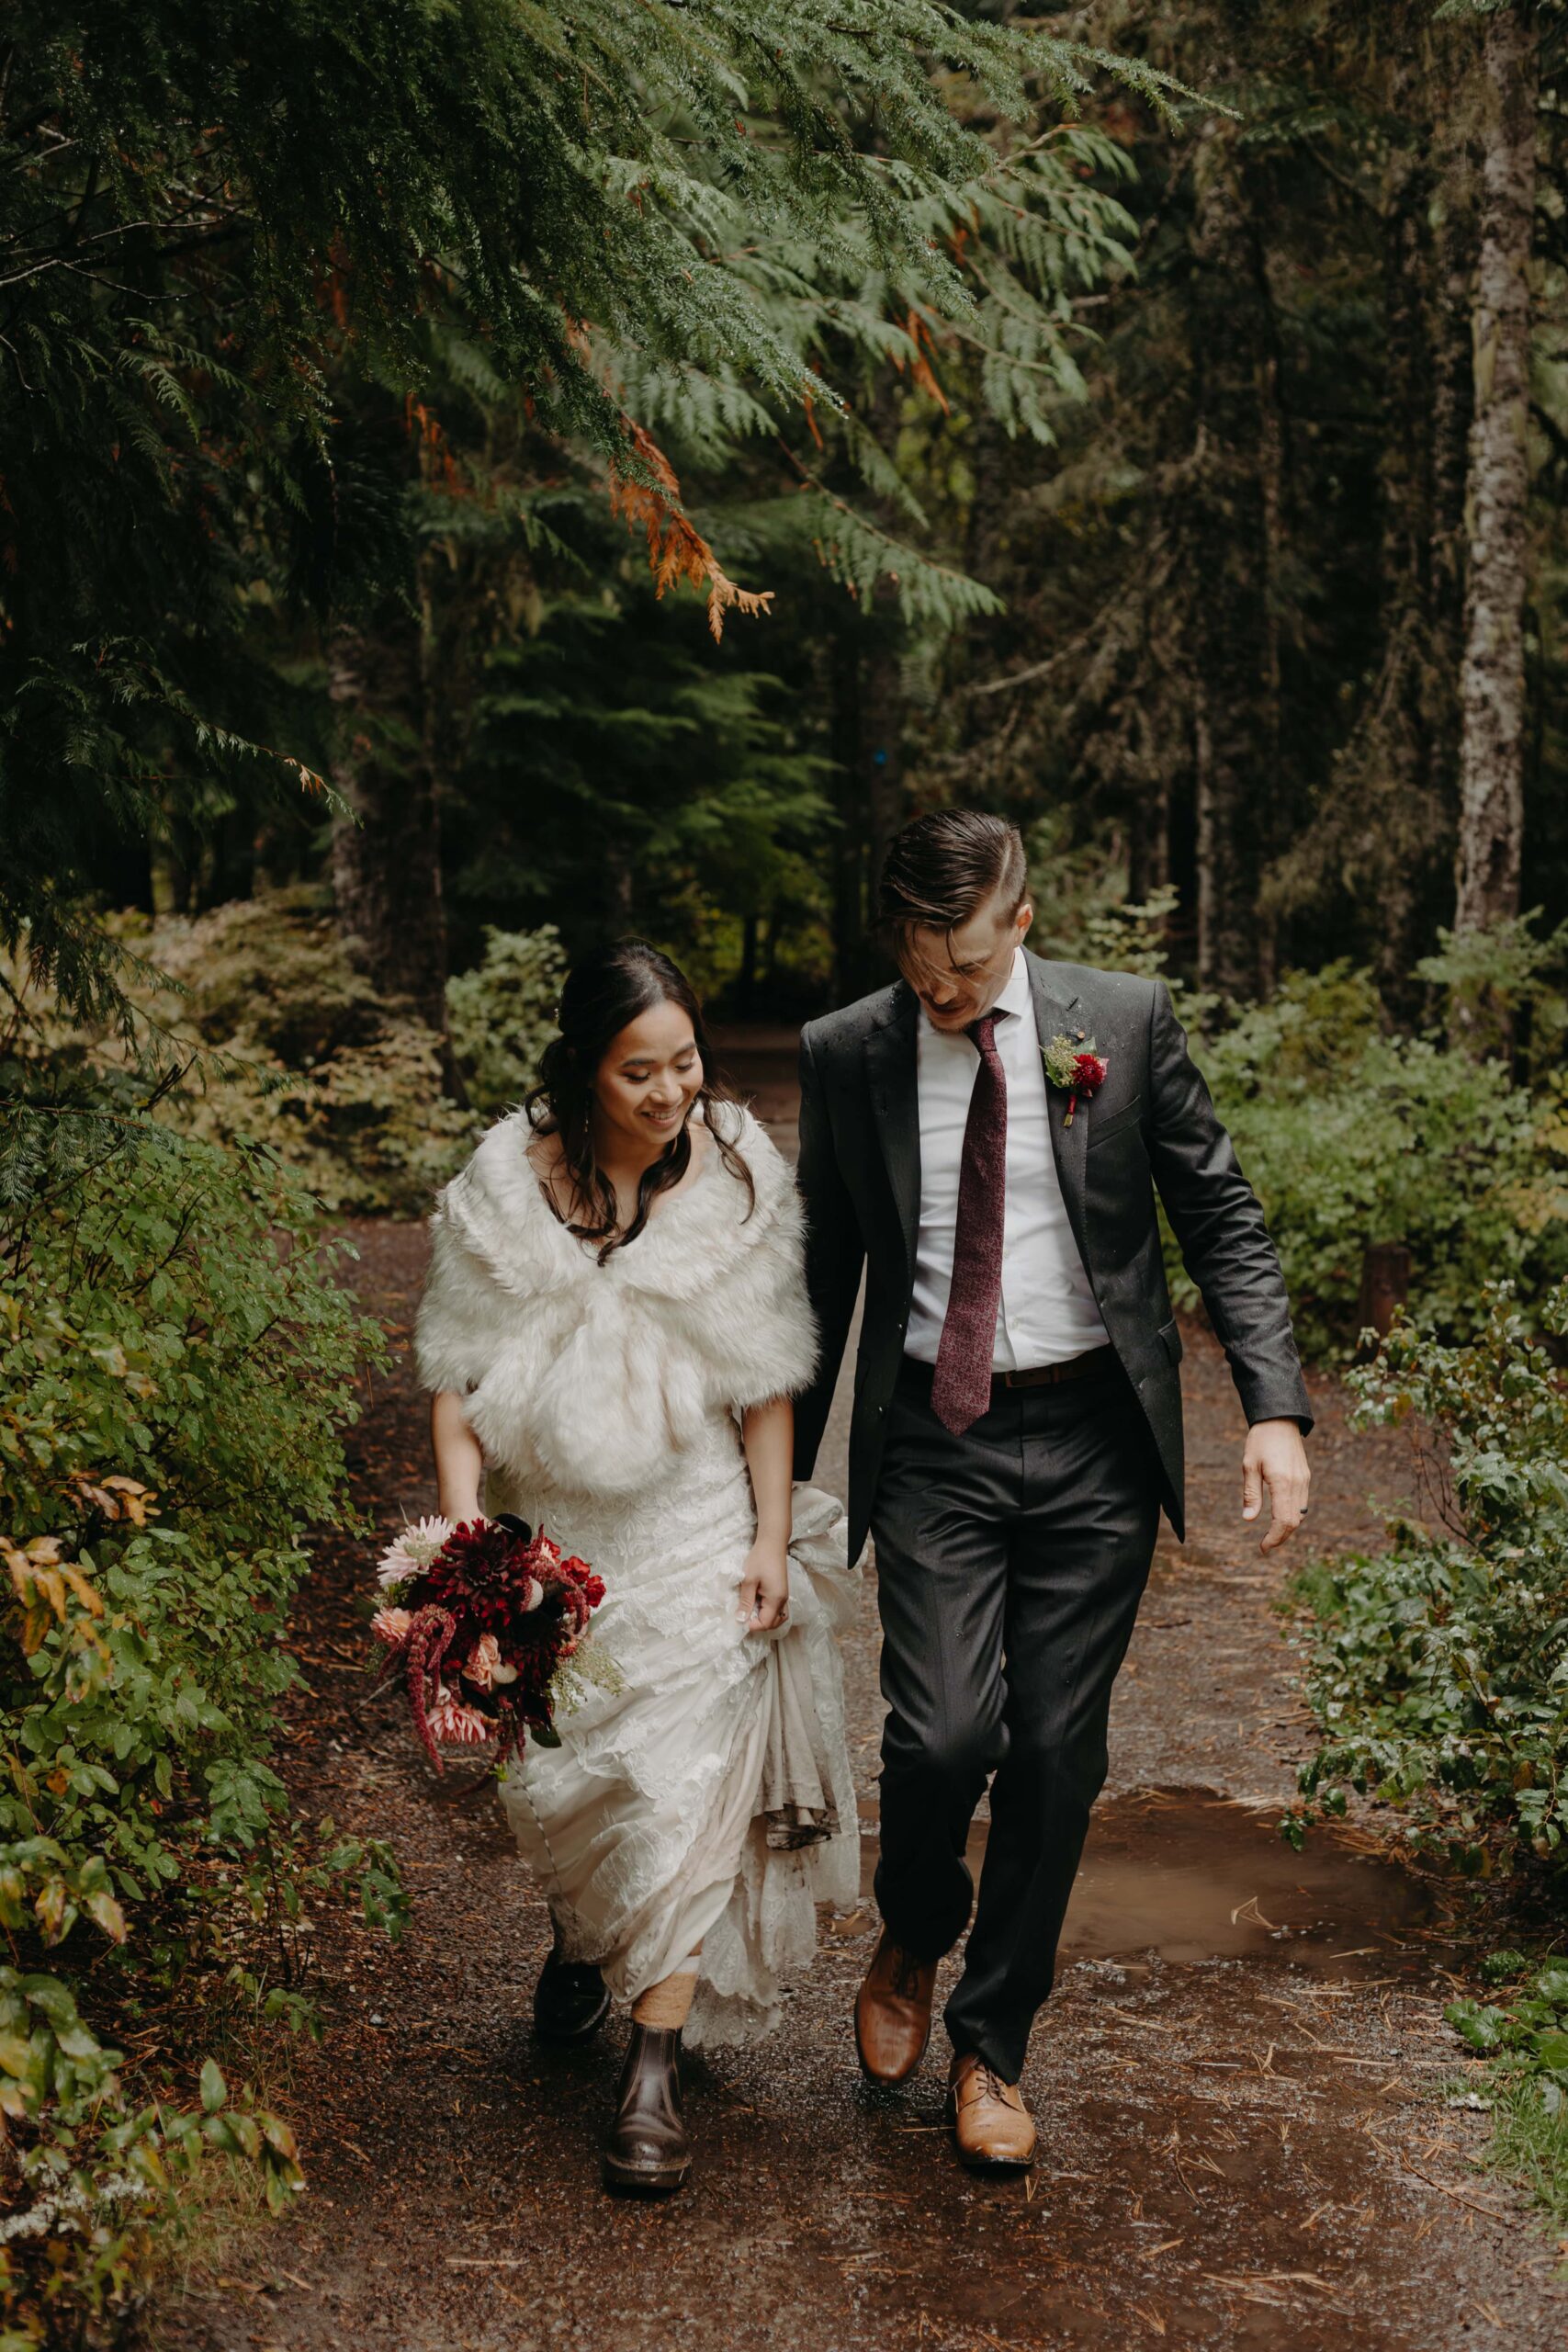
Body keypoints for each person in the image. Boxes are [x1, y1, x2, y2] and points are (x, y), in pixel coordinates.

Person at [792, 810, 1312, 2172]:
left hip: (1092, 1443)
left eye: (960, 967)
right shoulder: (850, 1053)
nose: (940, 994)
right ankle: (915, 1923)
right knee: (945, 1735)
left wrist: (1274, 1409)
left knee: (1058, 1759)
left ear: (1022, 921)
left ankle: (992, 2045)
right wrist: (772, 1490)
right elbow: (816, 1283)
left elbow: (1222, 1218)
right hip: (935, 1440)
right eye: (916, 968)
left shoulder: (1125, 1026)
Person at [414, 940, 859, 2194]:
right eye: (638, 1072)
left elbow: (768, 1383)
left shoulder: (736, 1183)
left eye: (686, 1064)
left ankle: (651, 2070)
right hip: (558, 1545)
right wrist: (471, 1557)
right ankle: (578, 1932)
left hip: (697, 1531)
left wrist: (771, 1539)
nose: (671, 1094)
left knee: (686, 1788)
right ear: (583, 1069)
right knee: (575, 1790)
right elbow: (456, 1391)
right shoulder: (503, 1195)